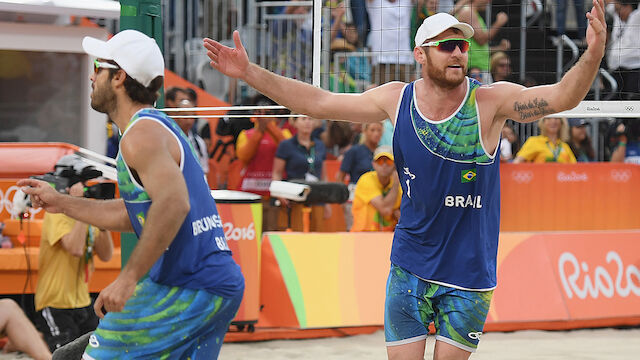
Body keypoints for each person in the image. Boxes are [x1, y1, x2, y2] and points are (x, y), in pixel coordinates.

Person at [204, 2, 606, 357]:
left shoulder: (490, 101)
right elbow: (318, 102)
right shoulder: (396, 99)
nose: (458, 53)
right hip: (410, 265)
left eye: (463, 46)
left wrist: (593, 52)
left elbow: (561, 98)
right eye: (447, 46)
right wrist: (248, 73)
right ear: (420, 54)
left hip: (469, 272)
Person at [20, 29, 244, 359]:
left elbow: (174, 203)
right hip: (213, 284)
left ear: (119, 77)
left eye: (99, 67)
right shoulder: (153, 129)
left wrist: (127, 279)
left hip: (186, 287)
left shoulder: (140, 136)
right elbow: (134, 213)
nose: (91, 76)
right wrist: (61, 201)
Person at [34, 156, 113, 352]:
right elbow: (75, 249)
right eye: (81, 183)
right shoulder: (55, 214)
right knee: (65, 355)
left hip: (83, 302)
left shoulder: (84, 213)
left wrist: (102, 221)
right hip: (56, 303)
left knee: (98, 353)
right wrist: (82, 209)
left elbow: (106, 255)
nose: (85, 188)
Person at [236, 94, 292, 231]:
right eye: (259, 112)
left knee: (273, 235)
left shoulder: (284, 134)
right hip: (250, 195)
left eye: (267, 113)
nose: (263, 115)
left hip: (274, 196)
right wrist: (259, 131)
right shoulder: (245, 134)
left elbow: (290, 150)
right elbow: (244, 156)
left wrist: (269, 127)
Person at [337, 122, 383, 230]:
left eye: (379, 130)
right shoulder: (354, 151)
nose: (376, 134)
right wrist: (342, 199)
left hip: (378, 199)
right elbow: (341, 176)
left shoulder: (383, 152)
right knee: (356, 228)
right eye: (372, 130)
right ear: (365, 131)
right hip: (356, 197)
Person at [455, 0, 510, 83]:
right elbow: (481, 39)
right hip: (475, 70)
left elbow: (479, 48)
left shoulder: (473, 12)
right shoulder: (468, 12)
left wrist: (499, 48)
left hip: (480, 68)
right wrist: (498, 23)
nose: (489, 1)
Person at [351, 146, 402, 231]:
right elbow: (385, 210)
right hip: (363, 236)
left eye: (388, 161)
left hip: (386, 238)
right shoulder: (366, 180)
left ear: (394, 164)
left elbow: (401, 214)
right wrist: (396, 184)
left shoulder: (398, 184)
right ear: (374, 164)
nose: (384, 165)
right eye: (380, 161)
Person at [606, 0, 640, 100]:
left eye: (618, 10)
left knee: (631, 103)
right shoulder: (618, 16)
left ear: (628, 6)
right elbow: (610, 4)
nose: (616, 13)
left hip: (634, 68)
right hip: (617, 69)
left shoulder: (637, 16)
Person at [513, 117, 577, 163]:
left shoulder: (564, 146)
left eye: (556, 118)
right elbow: (518, 161)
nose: (553, 121)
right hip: (539, 180)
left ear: (561, 122)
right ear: (543, 122)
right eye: (548, 118)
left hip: (561, 180)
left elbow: (574, 168)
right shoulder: (534, 141)